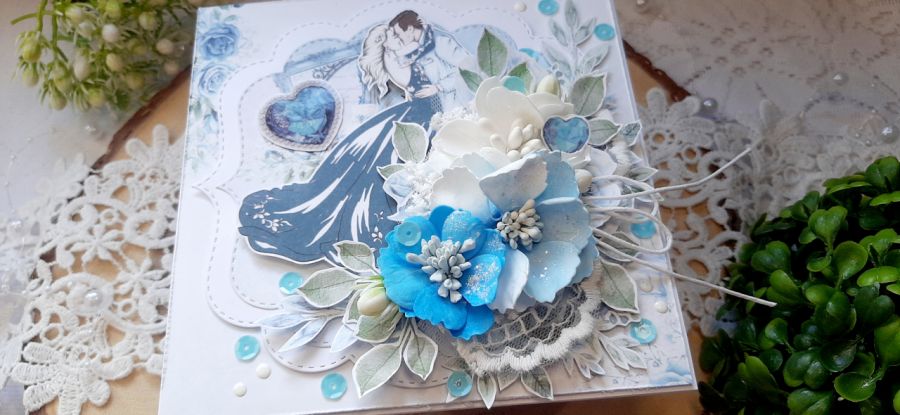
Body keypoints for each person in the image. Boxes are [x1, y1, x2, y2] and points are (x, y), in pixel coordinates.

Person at [238, 14, 468, 264]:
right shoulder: (397, 60)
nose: (400, 39)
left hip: (433, 116)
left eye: (399, 34)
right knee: (380, 165)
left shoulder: (419, 50)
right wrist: (433, 78)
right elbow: (417, 78)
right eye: (394, 35)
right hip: (418, 117)